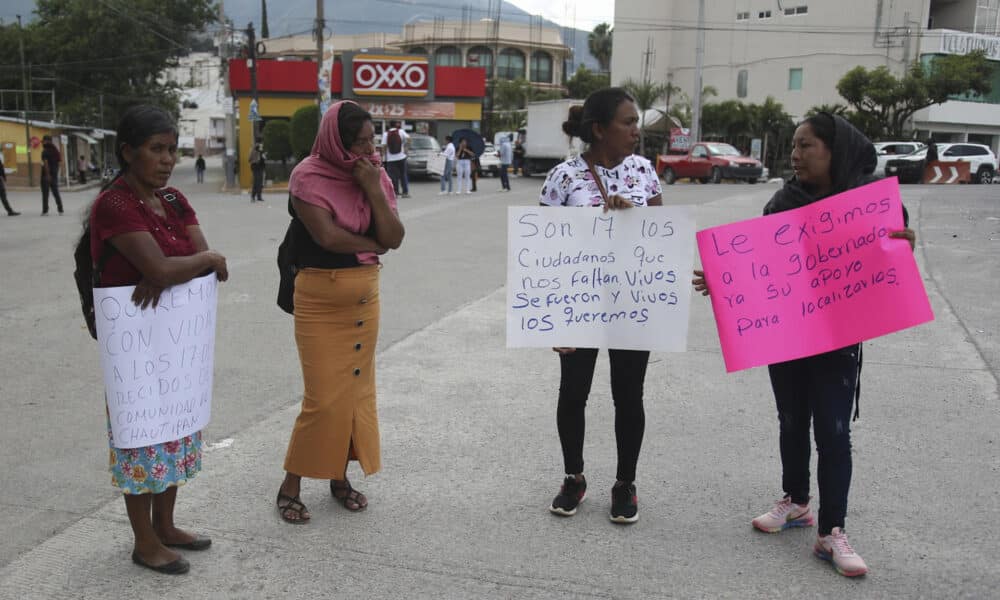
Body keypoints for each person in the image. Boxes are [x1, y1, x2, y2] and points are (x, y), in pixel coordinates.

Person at [693, 113, 916, 578]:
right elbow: (760, 268)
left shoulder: (867, 202)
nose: (795, 155)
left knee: (834, 432)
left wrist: (904, 245)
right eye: (793, 146)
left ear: (835, 150)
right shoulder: (782, 202)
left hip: (837, 339)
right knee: (791, 421)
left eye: (805, 145)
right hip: (787, 336)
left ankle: (831, 532)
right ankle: (796, 503)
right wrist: (724, 281)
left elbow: (890, 261)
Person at [86, 105, 229, 575]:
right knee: (141, 437)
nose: (167, 160)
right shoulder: (116, 203)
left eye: (172, 149)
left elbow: (204, 261)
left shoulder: (173, 202)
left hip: (176, 346)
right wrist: (179, 267)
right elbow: (175, 264)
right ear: (128, 152)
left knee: (175, 433)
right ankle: (144, 541)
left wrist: (181, 268)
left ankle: (166, 526)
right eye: (156, 150)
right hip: (134, 349)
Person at [276, 100, 405, 524]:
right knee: (323, 400)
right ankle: (290, 484)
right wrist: (373, 244)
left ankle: (339, 479)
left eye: (372, 140)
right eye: (359, 143)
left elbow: (395, 236)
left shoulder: (375, 176)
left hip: (365, 298)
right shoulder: (308, 176)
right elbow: (328, 237)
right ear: (337, 142)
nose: (368, 151)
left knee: (354, 395)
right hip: (318, 298)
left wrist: (371, 187)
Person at [539, 87, 663, 525]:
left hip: (632, 302)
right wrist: (553, 319)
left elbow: (661, 238)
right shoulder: (564, 178)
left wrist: (636, 218)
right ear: (599, 129)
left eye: (635, 121)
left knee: (629, 396)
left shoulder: (644, 172)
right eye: (628, 122)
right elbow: (544, 251)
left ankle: (625, 483)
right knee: (574, 393)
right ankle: (574, 477)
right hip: (579, 304)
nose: (636, 130)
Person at [381, 120, 410, 198]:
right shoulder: (401, 131)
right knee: (403, 175)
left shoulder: (385, 134)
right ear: (396, 125)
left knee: (393, 177)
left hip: (391, 159)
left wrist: (383, 157)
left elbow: (384, 146)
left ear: (389, 125)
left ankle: (396, 193)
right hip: (402, 157)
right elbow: (409, 139)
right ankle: (405, 192)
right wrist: (406, 149)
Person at [40, 135, 64, 215]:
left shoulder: (45, 151)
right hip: (54, 174)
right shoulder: (55, 150)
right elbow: (59, 163)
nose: (42, 143)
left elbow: (45, 163)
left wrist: (48, 175)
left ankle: (45, 211)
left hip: (46, 175)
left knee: (45, 194)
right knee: (55, 192)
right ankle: (60, 209)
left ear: (47, 141)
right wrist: (55, 172)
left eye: (43, 141)